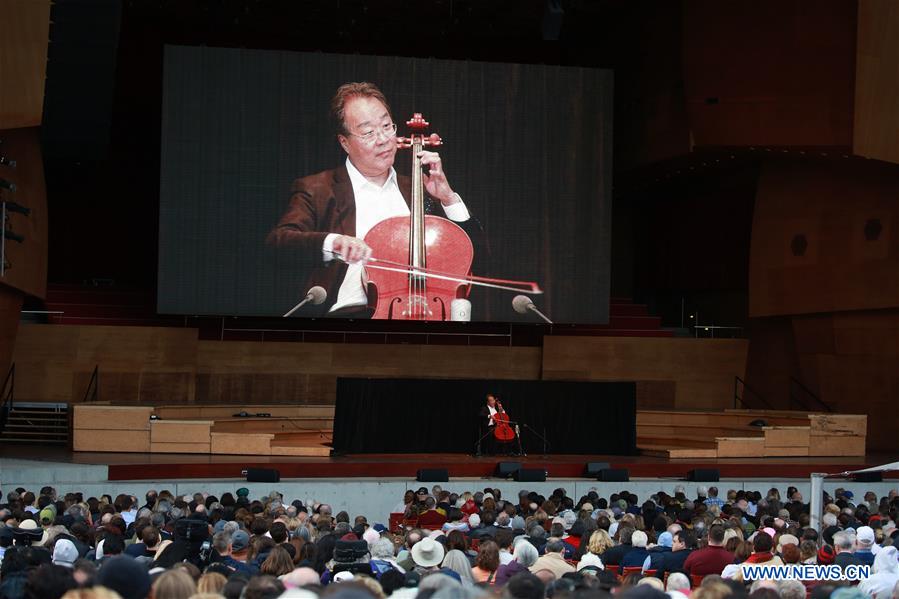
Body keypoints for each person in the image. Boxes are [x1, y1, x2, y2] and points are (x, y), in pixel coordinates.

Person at [267, 81, 481, 318]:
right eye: (368, 132)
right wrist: (334, 243)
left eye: (387, 126)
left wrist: (448, 198)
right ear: (344, 142)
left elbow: (473, 259)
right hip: (349, 319)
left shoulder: (419, 189)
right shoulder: (318, 189)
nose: (383, 139)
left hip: (425, 315)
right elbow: (278, 243)